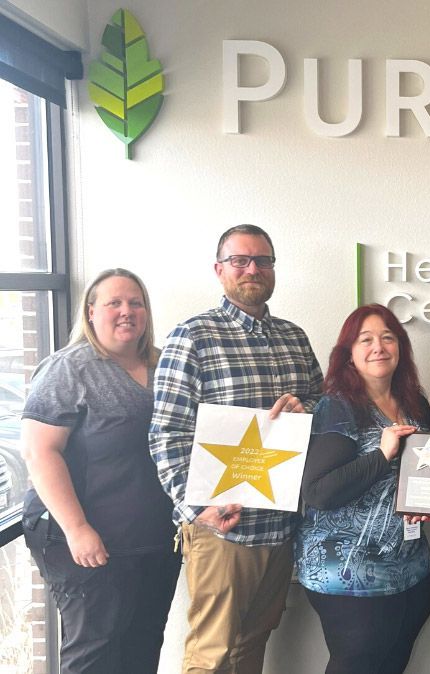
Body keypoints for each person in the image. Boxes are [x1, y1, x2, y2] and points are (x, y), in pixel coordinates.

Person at [149, 224, 322, 674]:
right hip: (221, 529)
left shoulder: (294, 337)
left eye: (263, 260)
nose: (253, 269)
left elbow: (322, 409)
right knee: (211, 655)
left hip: (280, 526)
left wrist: (308, 408)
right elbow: (166, 433)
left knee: (251, 649)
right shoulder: (193, 336)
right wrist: (196, 510)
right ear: (219, 270)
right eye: (241, 260)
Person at [21, 268, 178, 674]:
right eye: (114, 303)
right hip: (86, 541)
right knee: (95, 652)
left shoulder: (165, 365)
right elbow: (40, 453)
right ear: (91, 312)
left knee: (143, 647)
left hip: (151, 541)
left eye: (136, 302)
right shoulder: (68, 369)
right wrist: (77, 528)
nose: (127, 311)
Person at [295, 304, 430, 673]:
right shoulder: (338, 406)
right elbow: (318, 491)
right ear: (349, 354)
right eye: (366, 339)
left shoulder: (414, 403)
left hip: (410, 568)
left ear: (401, 347)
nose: (379, 347)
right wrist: (382, 455)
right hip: (350, 576)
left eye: (388, 337)